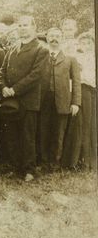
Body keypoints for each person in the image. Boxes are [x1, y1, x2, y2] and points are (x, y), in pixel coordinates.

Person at [0, 15, 49, 181]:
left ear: (34, 28)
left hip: (28, 100)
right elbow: (2, 72)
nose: (22, 28)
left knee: (28, 136)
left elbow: (36, 75)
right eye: (20, 25)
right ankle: (15, 167)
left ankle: (29, 170)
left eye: (25, 25)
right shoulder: (13, 47)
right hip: (10, 100)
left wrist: (14, 90)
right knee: (12, 135)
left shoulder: (41, 49)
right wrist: (4, 87)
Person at [37, 27, 81, 166]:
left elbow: (76, 82)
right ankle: (42, 160)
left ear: (61, 38)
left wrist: (75, 103)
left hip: (62, 100)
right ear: (47, 37)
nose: (54, 38)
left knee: (58, 132)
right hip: (43, 100)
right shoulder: (41, 56)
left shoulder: (70, 59)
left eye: (57, 36)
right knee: (42, 130)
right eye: (51, 36)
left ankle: (55, 161)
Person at [62, 32, 96, 170]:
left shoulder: (93, 57)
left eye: (89, 43)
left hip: (92, 92)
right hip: (80, 91)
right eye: (83, 43)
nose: (86, 45)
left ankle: (88, 161)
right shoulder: (77, 58)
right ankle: (75, 160)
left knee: (90, 125)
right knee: (78, 124)